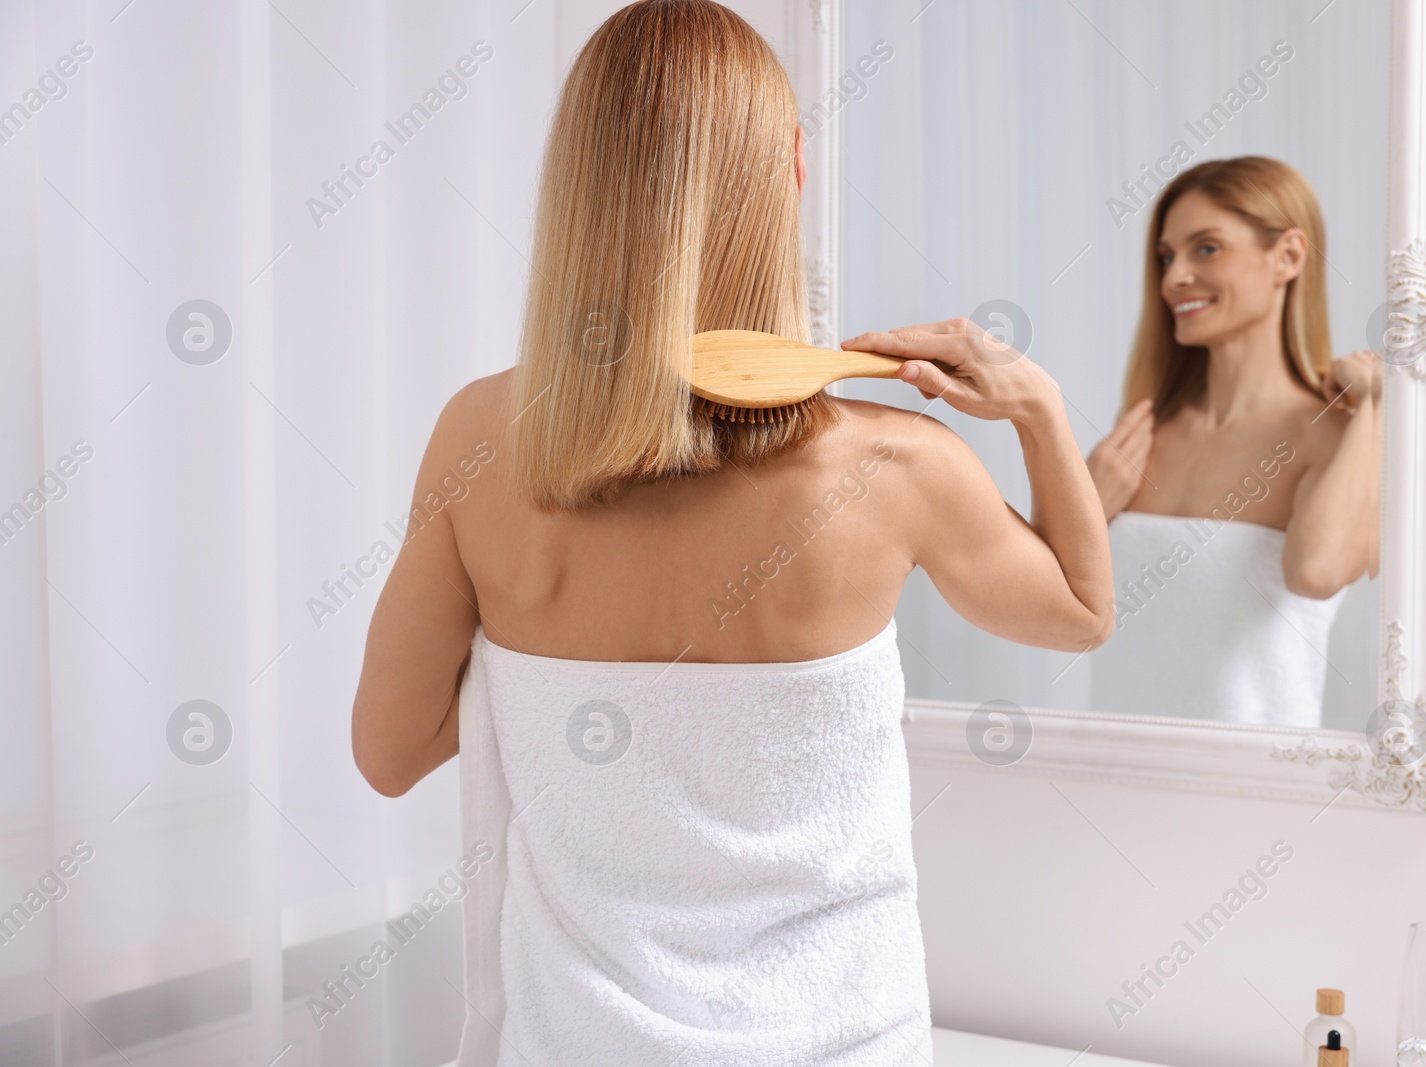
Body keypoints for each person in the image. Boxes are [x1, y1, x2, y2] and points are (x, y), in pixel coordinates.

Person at [350, 2, 1113, 1062]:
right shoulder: (896, 465)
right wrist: (1037, 407)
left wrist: (550, 671)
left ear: (579, 188)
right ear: (790, 171)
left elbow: (389, 751)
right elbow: (1081, 613)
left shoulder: (483, 440)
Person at [1085, 155, 1380, 728]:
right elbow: (1049, 606)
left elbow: (1316, 573)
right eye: (1167, 257)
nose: (1173, 278)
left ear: (1289, 256)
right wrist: (1083, 508)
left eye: (1207, 248)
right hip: (1115, 785)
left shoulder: (1336, 438)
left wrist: (1380, 407)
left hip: (1252, 797)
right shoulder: (1138, 436)